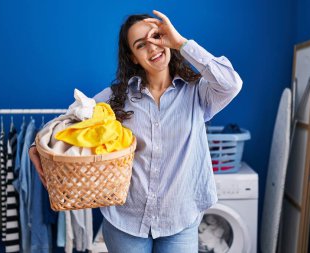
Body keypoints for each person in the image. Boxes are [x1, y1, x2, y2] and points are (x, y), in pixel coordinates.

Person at [29, 9, 243, 253]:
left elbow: (231, 83)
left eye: (156, 37)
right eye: (141, 45)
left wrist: (181, 43)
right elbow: (69, 119)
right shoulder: (117, 97)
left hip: (180, 219)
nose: (153, 48)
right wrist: (37, 145)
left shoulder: (197, 93)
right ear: (132, 57)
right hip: (126, 222)